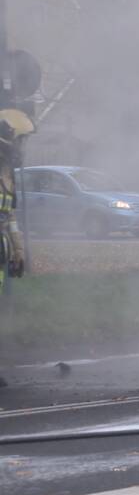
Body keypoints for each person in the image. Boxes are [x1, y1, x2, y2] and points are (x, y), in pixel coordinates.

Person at [0, 108, 34, 388]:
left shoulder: (6, 174)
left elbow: (8, 216)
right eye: (20, 140)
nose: (22, 147)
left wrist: (18, 250)